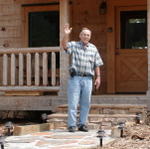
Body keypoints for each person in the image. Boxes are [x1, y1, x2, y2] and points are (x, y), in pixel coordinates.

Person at [61, 24, 103, 132]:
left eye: (88, 35)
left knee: (85, 103)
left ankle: (83, 124)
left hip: (88, 79)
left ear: (90, 37)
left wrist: (98, 77)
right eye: (84, 34)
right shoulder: (74, 45)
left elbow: (97, 64)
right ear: (80, 36)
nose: (86, 36)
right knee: (73, 102)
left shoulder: (93, 48)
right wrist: (66, 35)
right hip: (75, 78)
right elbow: (65, 46)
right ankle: (71, 125)